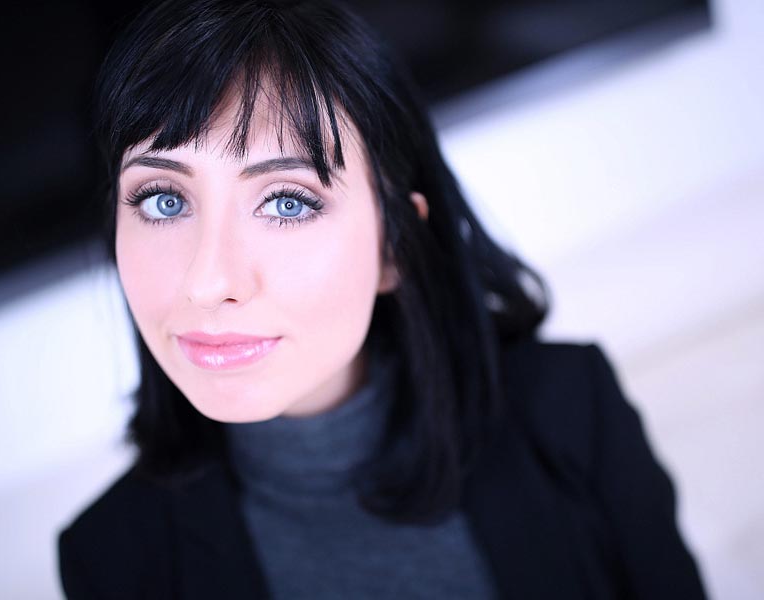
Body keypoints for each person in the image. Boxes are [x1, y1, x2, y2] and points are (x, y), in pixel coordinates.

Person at [58, 0, 707, 598]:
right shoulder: (112, 560)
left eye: (287, 203)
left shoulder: (571, 414)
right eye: (163, 200)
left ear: (395, 244)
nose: (207, 282)